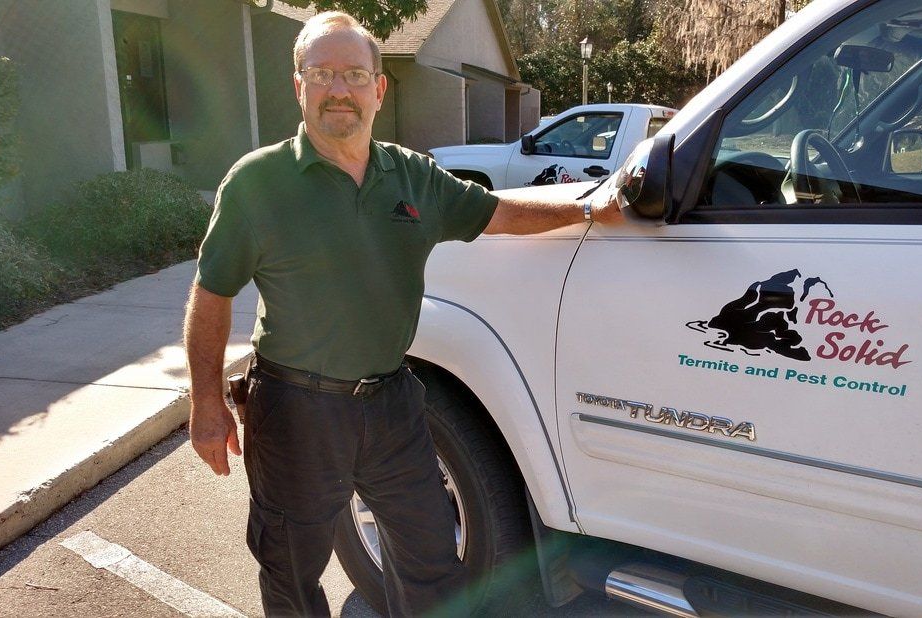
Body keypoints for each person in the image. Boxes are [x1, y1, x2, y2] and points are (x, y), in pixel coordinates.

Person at [183, 11, 621, 617]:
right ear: (299, 85)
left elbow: (500, 213)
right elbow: (211, 295)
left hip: (393, 405)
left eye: (355, 75)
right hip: (295, 410)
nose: (340, 89)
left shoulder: (410, 176)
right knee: (290, 571)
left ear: (379, 88)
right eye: (323, 73)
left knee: (432, 561)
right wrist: (205, 402)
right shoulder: (257, 184)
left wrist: (598, 206)